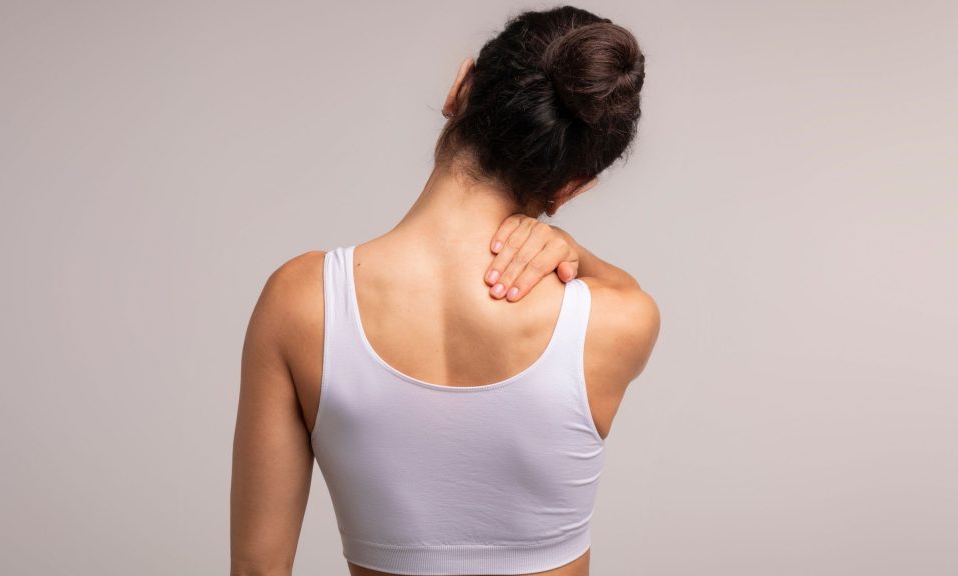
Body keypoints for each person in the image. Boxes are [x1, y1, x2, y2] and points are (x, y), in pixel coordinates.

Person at [231, 6, 661, 576]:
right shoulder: (619, 320)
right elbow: (629, 291)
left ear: (460, 87)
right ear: (572, 187)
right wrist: (579, 253)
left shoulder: (301, 301)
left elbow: (258, 569)